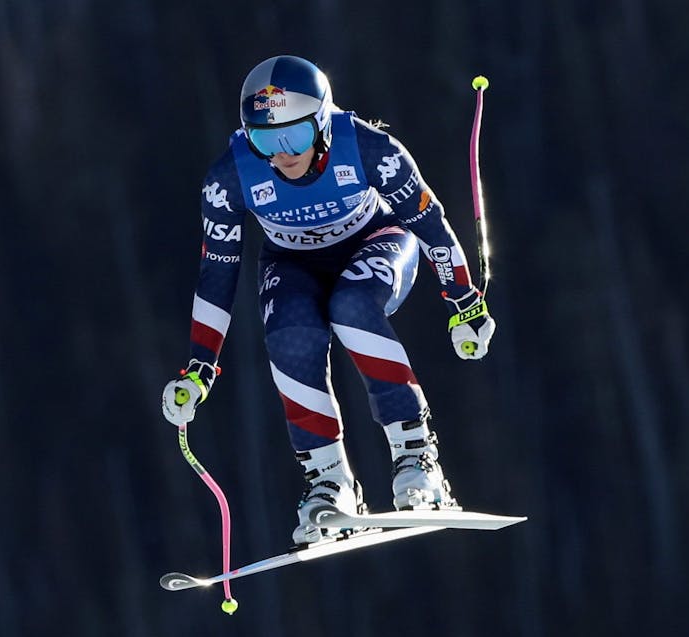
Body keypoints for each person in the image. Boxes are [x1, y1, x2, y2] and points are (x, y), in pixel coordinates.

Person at [160, 54, 496, 546]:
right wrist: (199, 366)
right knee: (289, 331)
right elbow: (217, 272)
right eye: (264, 140)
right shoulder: (229, 177)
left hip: (376, 239)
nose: (280, 155)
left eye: (293, 137)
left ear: (321, 123)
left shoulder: (368, 147)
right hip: (292, 262)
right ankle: (328, 482)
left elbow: (430, 226)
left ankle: (416, 460)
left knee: (353, 305)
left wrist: (464, 302)